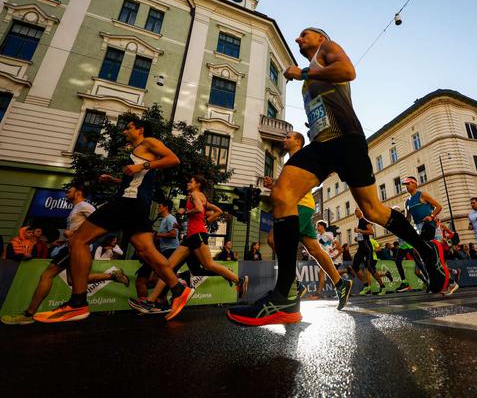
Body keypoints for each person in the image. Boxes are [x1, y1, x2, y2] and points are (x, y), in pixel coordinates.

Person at [227, 27, 447, 326]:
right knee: (282, 195)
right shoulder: (316, 68)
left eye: (305, 34)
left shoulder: (326, 49)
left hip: (346, 140)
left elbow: (348, 70)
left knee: (372, 211)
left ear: (320, 37)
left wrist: (304, 73)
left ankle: (425, 249)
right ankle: (286, 296)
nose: (298, 39)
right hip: (322, 143)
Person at [34, 118, 193, 323]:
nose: (125, 131)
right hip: (136, 204)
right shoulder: (137, 150)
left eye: (128, 128)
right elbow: (141, 179)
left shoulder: (148, 142)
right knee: (146, 251)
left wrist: (142, 165)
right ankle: (179, 289)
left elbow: (174, 159)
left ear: (140, 129)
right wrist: (117, 180)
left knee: (78, 241)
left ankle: (77, 303)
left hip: (128, 202)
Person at [3, 182, 129, 325]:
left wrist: (74, 233)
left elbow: (100, 225)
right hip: (72, 246)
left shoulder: (85, 206)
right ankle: (113, 275)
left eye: (69, 190)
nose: (66, 193)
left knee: (47, 275)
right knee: (72, 280)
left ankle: (28, 314)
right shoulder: (76, 208)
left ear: (78, 192)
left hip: (77, 247)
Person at [129, 175, 248, 315]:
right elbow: (219, 211)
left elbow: (198, 209)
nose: (188, 183)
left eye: (190, 181)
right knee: (167, 267)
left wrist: (185, 211)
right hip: (192, 236)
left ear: (197, 184)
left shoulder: (194, 194)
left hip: (196, 235)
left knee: (208, 264)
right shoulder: (202, 196)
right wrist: (207, 221)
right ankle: (150, 301)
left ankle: (238, 280)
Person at [264, 131, 352, 310]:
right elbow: (290, 186)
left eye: (288, 137)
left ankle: (295, 284)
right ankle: (340, 284)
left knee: (274, 239)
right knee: (314, 249)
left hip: (300, 206)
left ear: (298, 141)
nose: (284, 139)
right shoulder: (291, 161)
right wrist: (274, 184)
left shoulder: (301, 157)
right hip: (301, 205)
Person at [403, 176, 442, 242]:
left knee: (435, 249)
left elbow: (439, 207)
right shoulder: (407, 202)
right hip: (418, 229)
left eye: (408, 183)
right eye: (405, 184)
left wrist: (431, 216)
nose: (406, 186)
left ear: (415, 184)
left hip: (430, 226)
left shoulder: (422, 195)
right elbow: (408, 219)